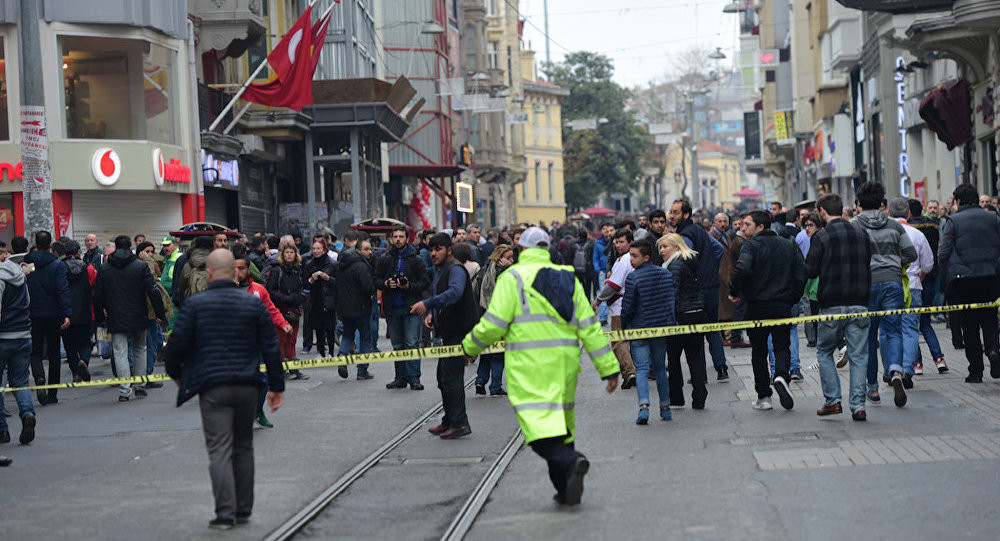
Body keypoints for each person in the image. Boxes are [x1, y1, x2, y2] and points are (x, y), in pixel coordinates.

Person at [461, 227, 619, 505]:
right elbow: (590, 327)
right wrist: (608, 368)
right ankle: (565, 491)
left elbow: (493, 325)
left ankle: (572, 460)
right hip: (565, 366)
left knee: (536, 431)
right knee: (561, 428)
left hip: (529, 366)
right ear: (548, 249)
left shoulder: (513, 278)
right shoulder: (568, 278)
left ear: (521, 249)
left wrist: (469, 346)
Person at [165, 249, 285, 531]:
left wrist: (178, 375)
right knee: (243, 445)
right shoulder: (252, 304)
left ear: (208, 273)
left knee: (219, 448)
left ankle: (224, 513)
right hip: (247, 385)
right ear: (235, 272)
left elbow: (176, 345)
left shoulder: (195, 305)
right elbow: (271, 345)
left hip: (212, 386)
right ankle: (243, 508)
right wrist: (276, 387)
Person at [729, 210, 805, 411]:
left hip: (757, 306)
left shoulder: (750, 246)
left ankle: (764, 396)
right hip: (782, 305)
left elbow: (742, 269)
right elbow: (801, 273)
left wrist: (734, 291)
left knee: (759, 351)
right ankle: (781, 375)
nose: (743, 228)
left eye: (747, 224)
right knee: (782, 346)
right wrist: (793, 298)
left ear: (760, 226)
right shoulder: (788, 244)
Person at [806, 194, 872, 421]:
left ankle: (833, 400)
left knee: (824, 351)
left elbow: (811, 270)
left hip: (831, 303)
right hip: (859, 301)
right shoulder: (861, 233)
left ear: (822, 211)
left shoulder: (821, 236)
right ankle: (858, 406)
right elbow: (867, 261)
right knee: (858, 355)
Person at [852, 181, 917, 406]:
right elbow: (911, 254)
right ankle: (896, 371)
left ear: (859, 203)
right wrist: (894, 262)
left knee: (869, 337)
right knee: (894, 331)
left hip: (866, 285)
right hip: (892, 283)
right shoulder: (894, 225)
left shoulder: (854, 226)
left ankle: (872, 389)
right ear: (882, 202)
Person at [410, 233, 480, 439]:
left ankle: (459, 423)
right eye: (431, 249)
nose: (433, 253)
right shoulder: (442, 269)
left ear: (449, 250)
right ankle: (449, 420)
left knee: (452, 379)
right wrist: (433, 315)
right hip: (449, 333)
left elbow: (455, 293)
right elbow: (444, 297)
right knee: (444, 378)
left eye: (438, 249)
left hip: (459, 333)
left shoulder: (455, 269)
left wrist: (428, 304)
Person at [938, 183, 1000, 383]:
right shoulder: (993, 217)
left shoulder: (953, 221)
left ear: (958, 201)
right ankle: (993, 350)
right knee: (990, 318)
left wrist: (949, 273)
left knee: (969, 325)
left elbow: (943, 253)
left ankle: (976, 371)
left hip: (964, 281)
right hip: (990, 277)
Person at [94, 235, 167, 402]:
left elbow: (98, 295)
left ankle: (124, 390)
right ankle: (140, 386)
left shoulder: (105, 268)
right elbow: (153, 291)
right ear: (130, 247)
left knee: (120, 352)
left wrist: (100, 316)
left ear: (116, 247)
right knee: (140, 348)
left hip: (115, 315)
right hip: (138, 313)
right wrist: (160, 313)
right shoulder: (140, 266)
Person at [669, 199, 729, 381]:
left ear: (686, 214)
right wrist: (709, 267)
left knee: (697, 331)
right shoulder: (699, 229)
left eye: (675, 212)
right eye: (671, 212)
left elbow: (688, 259)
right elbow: (718, 249)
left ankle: (700, 374)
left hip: (698, 288)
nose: (671, 216)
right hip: (711, 284)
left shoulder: (684, 235)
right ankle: (721, 368)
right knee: (712, 326)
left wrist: (697, 272)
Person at [233, 245, 291, 429]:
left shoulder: (258, 290)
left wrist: (283, 323)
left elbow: (271, 310)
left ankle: (257, 411)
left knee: (263, 380)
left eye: (241, 268)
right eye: (233, 268)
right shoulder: (222, 291)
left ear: (248, 270)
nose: (237, 272)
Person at [622, 240, 676, 424]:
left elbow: (628, 306)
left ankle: (644, 407)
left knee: (642, 369)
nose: (631, 259)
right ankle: (665, 407)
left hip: (639, 328)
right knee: (660, 368)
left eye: (634, 255)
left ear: (646, 257)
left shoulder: (633, 277)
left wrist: (624, 326)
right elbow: (671, 302)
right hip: (660, 328)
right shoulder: (665, 274)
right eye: (630, 255)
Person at [887, 197, 934, 390]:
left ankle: (892, 370)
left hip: (890, 286)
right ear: (908, 214)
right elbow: (928, 264)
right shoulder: (917, 234)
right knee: (910, 330)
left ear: (889, 213)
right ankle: (907, 370)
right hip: (913, 285)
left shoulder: (885, 234)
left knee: (890, 330)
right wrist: (920, 275)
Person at [376, 225, 430, 390]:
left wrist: (409, 286)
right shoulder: (385, 258)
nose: (398, 239)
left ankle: (414, 378)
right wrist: (386, 284)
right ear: (391, 239)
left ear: (407, 238)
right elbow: (375, 280)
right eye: (395, 237)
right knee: (398, 345)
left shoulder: (416, 259)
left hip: (411, 307)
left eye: (401, 236)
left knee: (412, 343)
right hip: (392, 308)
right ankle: (400, 378)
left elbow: (424, 282)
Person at [659, 233, 708, 410]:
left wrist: (667, 316)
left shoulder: (674, 266)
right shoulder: (689, 262)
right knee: (694, 358)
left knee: (673, 358)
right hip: (697, 312)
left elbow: (671, 293)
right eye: (660, 247)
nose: (662, 251)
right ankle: (699, 397)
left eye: (665, 247)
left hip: (680, 315)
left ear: (676, 247)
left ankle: (677, 397)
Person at [24, 231, 71, 405]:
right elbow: (62, 289)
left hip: (33, 312)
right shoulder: (57, 265)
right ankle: (52, 393)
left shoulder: (28, 263)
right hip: (53, 313)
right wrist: (66, 313)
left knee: (35, 351)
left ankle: (39, 377)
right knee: (54, 353)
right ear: (51, 245)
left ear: (35, 244)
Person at [592, 228, 637, 389]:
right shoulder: (628, 259)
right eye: (616, 242)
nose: (618, 245)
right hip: (630, 305)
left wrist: (597, 301)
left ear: (630, 242)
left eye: (621, 242)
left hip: (620, 307)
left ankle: (630, 372)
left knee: (618, 342)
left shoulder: (625, 260)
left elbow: (613, 286)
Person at [907, 198, 948, 374]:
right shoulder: (933, 226)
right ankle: (939, 359)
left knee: (911, 324)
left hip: (912, 280)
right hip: (930, 276)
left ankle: (917, 363)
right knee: (925, 321)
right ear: (922, 210)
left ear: (908, 212)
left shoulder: (907, 230)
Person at [0, 252, 36, 445]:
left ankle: (2, 430)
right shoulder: (20, 275)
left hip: (4, 336)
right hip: (23, 334)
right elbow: (27, 302)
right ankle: (27, 413)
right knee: (20, 380)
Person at [264, 241, 308, 380]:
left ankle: (294, 369)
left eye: (292, 252)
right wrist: (287, 298)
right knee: (281, 340)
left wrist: (299, 298)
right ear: (283, 254)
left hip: (294, 310)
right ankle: (282, 371)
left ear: (296, 254)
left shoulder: (298, 270)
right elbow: (270, 291)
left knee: (292, 340)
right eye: (287, 252)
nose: (289, 255)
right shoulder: (276, 270)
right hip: (281, 310)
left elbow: (303, 289)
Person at [473, 244, 514, 396]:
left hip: (484, 314)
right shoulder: (505, 273)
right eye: (509, 257)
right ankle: (495, 386)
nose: (512, 260)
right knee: (498, 353)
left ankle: (480, 381)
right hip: (499, 317)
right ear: (500, 258)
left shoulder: (484, 269)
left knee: (486, 352)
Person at [336, 239, 375, 380]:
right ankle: (362, 370)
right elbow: (367, 287)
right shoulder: (361, 266)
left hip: (345, 308)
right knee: (365, 338)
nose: (370, 252)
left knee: (347, 335)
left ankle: (342, 358)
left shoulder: (341, 265)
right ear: (358, 250)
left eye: (370, 249)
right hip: (361, 308)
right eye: (366, 249)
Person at [710, 213, 749, 349]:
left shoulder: (726, 236)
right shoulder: (712, 237)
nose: (722, 224)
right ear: (714, 223)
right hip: (719, 276)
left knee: (728, 307)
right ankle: (724, 336)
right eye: (719, 221)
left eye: (724, 221)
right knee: (722, 308)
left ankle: (729, 335)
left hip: (728, 275)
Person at [61, 240, 96, 383]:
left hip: (66, 313)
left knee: (69, 344)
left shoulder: (60, 268)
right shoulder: (89, 268)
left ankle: (75, 372)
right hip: (85, 310)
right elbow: (94, 288)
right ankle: (84, 360)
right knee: (86, 341)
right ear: (78, 252)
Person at [302, 239, 338, 358]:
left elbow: (339, 283)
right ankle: (321, 352)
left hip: (328, 299)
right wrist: (311, 280)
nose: (316, 251)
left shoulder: (332, 263)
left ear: (324, 250)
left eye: (318, 248)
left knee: (330, 328)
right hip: (315, 299)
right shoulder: (309, 264)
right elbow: (304, 284)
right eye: (314, 249)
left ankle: (331, 352)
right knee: (318, 328)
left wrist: (328, 278)